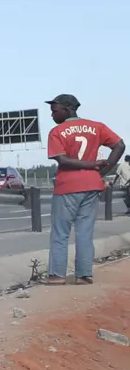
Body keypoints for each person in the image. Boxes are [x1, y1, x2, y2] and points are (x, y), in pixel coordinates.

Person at [43, 94, 124, 285]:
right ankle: (84, 274)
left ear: (66, 109)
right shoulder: (97, 127)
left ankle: (57, 275)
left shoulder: (57, 131)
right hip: (92, 184)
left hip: (67, 186)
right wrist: (103, 169)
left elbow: (62, 160)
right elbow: (120, 145)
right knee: (85, 231)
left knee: (60, 232)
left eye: (54, 111)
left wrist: (90, 165)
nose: (52, 115)